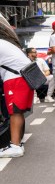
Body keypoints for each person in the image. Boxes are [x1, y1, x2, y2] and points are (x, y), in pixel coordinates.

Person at [0, 23, 34, 157]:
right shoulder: (4, 43)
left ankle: (15, 146)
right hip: (22, 76)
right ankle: (16, 143)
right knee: (17, 111)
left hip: (15, 78)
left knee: (14, 112)